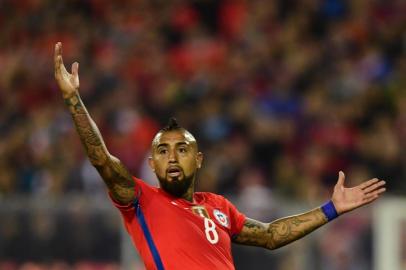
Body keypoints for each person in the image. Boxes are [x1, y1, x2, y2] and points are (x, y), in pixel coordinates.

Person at [54, 42, 386, 270]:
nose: (172, 157)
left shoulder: (218, 206)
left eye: (182, 149)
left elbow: (270, 236)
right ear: (151, 163)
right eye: (162, 151)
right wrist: (74, 100)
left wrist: (332, 209)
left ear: (198, 160)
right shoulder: (140, 199)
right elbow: (101, 159)